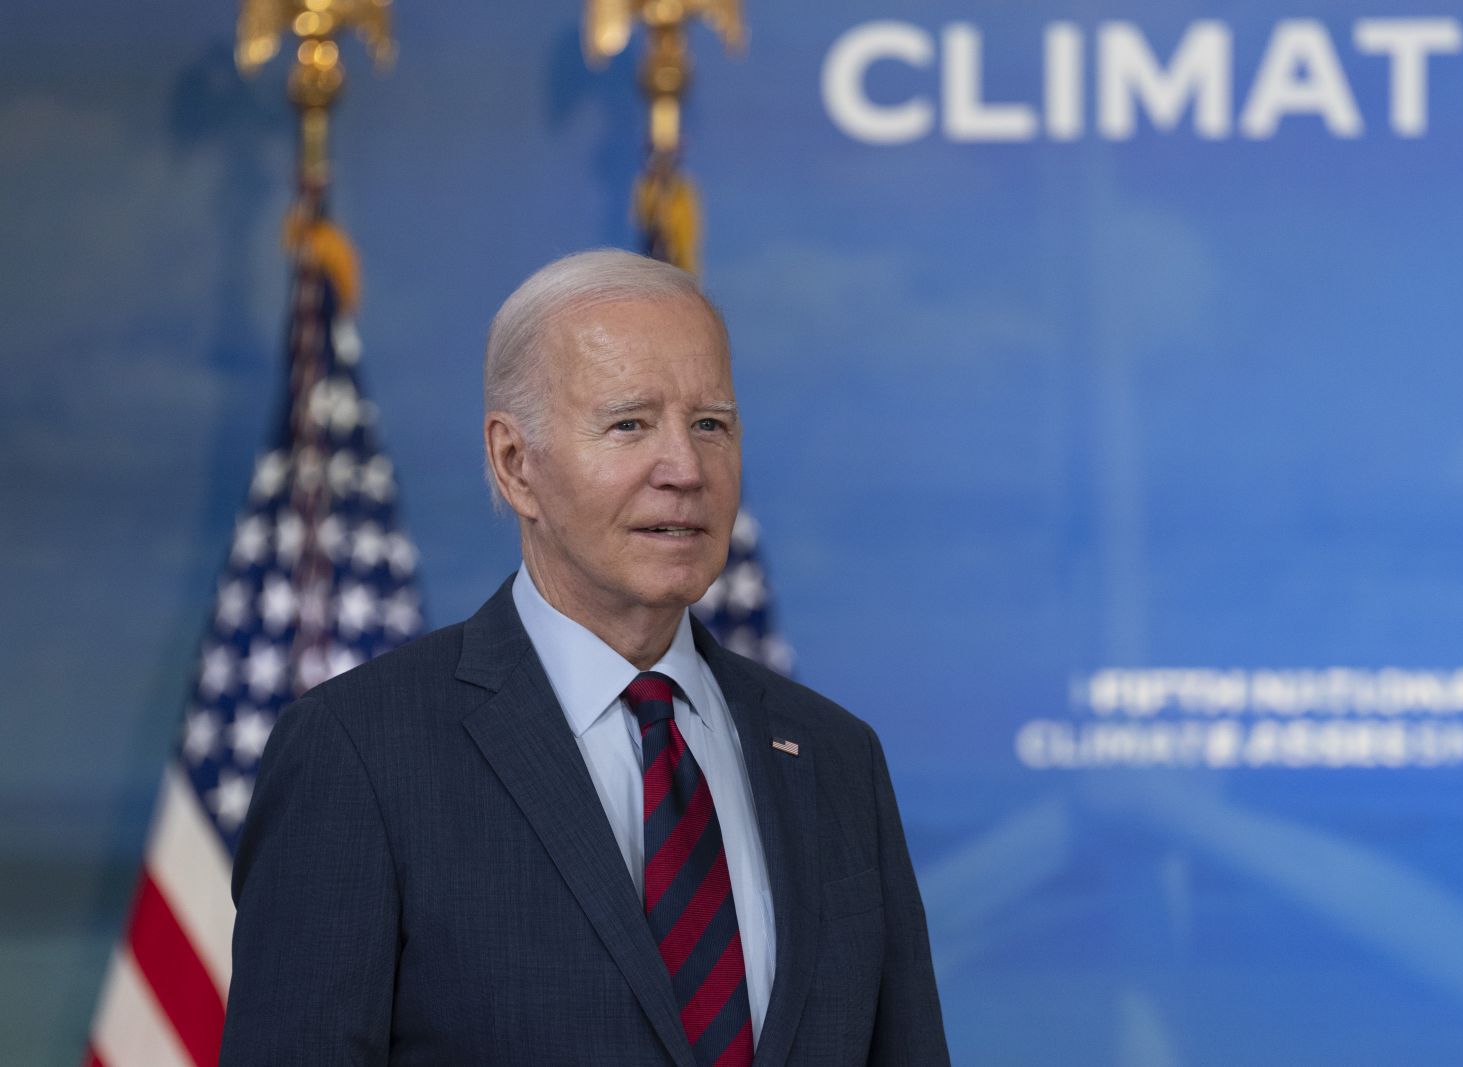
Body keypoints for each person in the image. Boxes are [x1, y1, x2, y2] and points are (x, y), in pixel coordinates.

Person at [219, 249, 949, 1065]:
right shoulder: (360, 753)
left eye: (711, 423)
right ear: (514, 464)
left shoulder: (837, 759)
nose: (685, 469)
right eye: (629, 423)